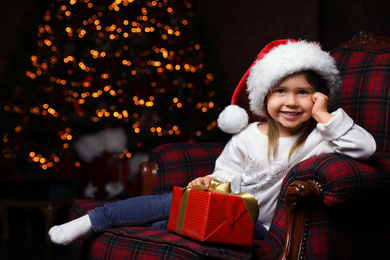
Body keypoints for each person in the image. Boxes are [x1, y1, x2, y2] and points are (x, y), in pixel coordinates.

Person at [49, 39, 376, 245]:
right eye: (281, 91)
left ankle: (150, 224)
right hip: (223, 212)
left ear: (318, 97)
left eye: (302, 93)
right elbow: (226, 178)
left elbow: (366, 148)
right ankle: (96, 220)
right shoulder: (248, 136)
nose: (291, 102)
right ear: (265, 97)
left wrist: (325, 116)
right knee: (173, 203)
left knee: (179, 220)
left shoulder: (322, 137)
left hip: (260, 230)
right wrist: (211, 183)